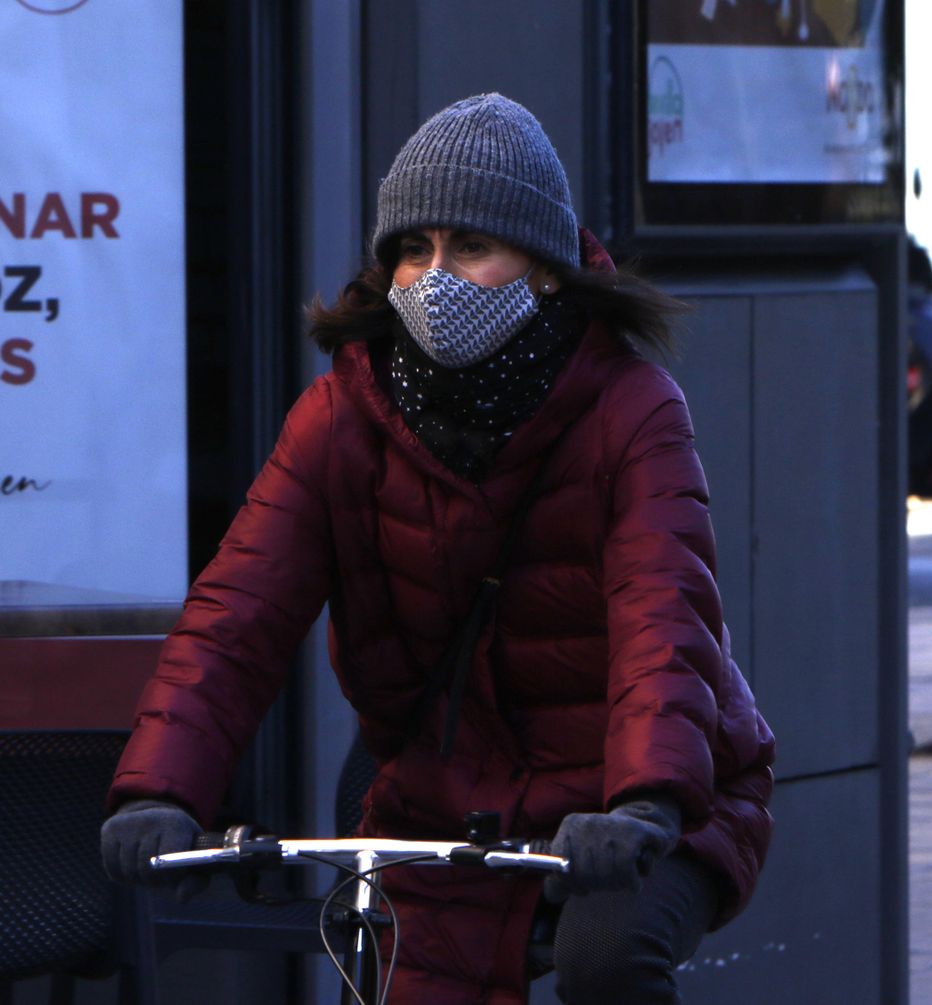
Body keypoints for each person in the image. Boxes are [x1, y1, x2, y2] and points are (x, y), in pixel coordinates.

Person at [101, 93, 775, 1004]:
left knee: (605, 956)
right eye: (413, 250)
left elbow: (666, 614)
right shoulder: (339, 418)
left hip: (641, 796)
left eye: (469, 247)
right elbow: (238, 613)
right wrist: (161, 790)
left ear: (540, 267)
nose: (434, 276)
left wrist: (645, 800)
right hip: (446, 799)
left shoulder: (631, 408)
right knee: (389, 979)